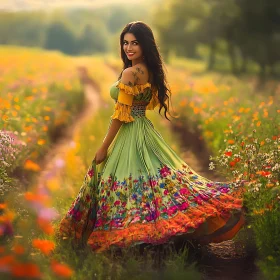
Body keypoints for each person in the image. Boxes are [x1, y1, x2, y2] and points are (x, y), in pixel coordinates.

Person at [58, 21, 246, 252]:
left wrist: (104, 146)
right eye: (125, 43)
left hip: (131, 131)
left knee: (126, 180)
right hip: (144, 129)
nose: (129, 48)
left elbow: (120, 115)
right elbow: (143, 105)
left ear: (145, 45)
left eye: (134, 43)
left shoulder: (130, 72)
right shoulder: (147, 69)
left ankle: (135, 239)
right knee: (151, 181)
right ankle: (151, 239)